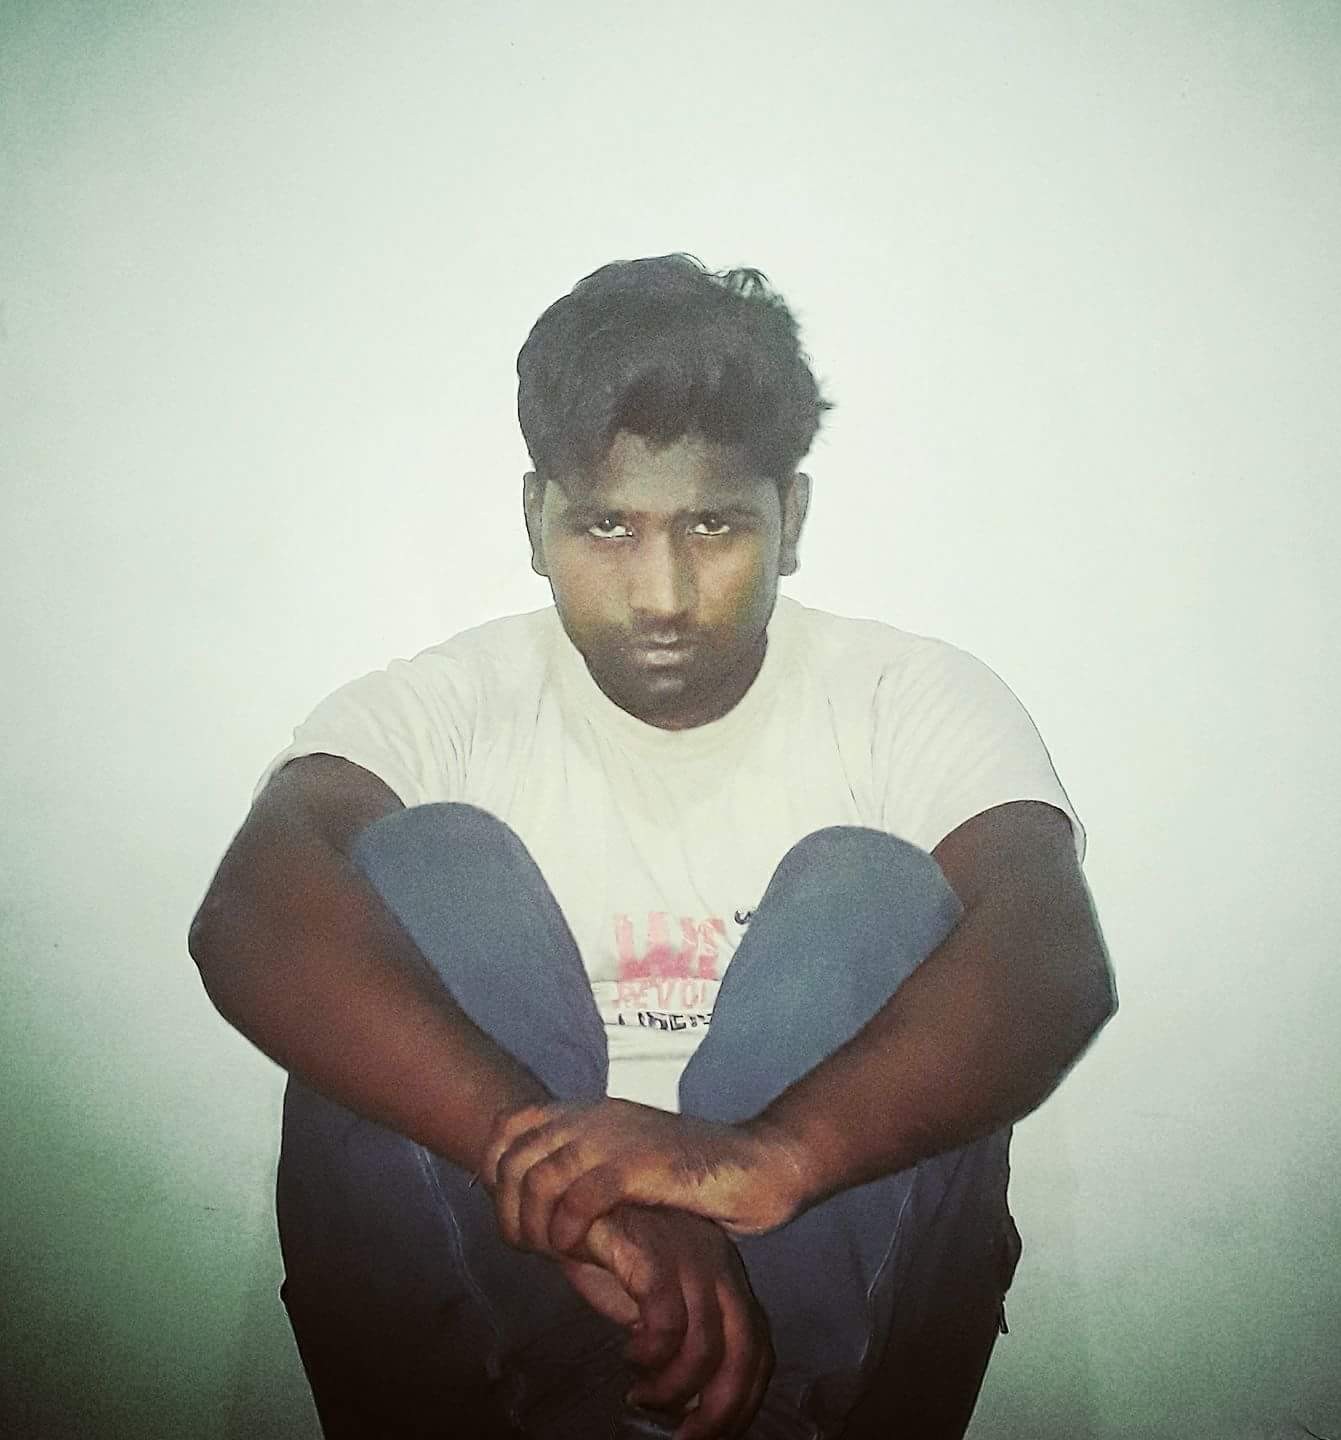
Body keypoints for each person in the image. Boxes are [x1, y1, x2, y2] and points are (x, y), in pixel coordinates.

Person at [189, 254, 1116, 1440]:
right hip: (494, 1311)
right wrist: (585, 1192)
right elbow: (249, 916)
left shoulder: (907, 697)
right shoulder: (448, 703)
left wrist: (759, 1159)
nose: (664, 595)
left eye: (714, 525)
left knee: (873, 892)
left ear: (792, 520)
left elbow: (1052, 954)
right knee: (426, 869)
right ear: (536, 522)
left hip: (819, 1325)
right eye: (608, 526)